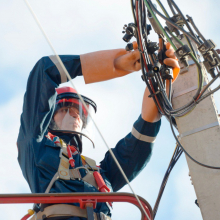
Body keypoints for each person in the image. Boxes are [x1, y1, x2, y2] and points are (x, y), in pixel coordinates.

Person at [17, 42, 180, 220]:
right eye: (64, 110)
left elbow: (136, 147)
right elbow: (44, 71)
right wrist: (115, 63)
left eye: (79, 113)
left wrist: (160, 82)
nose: (74, 116)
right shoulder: (36, 148)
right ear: (49, 115)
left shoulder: (101, 173)